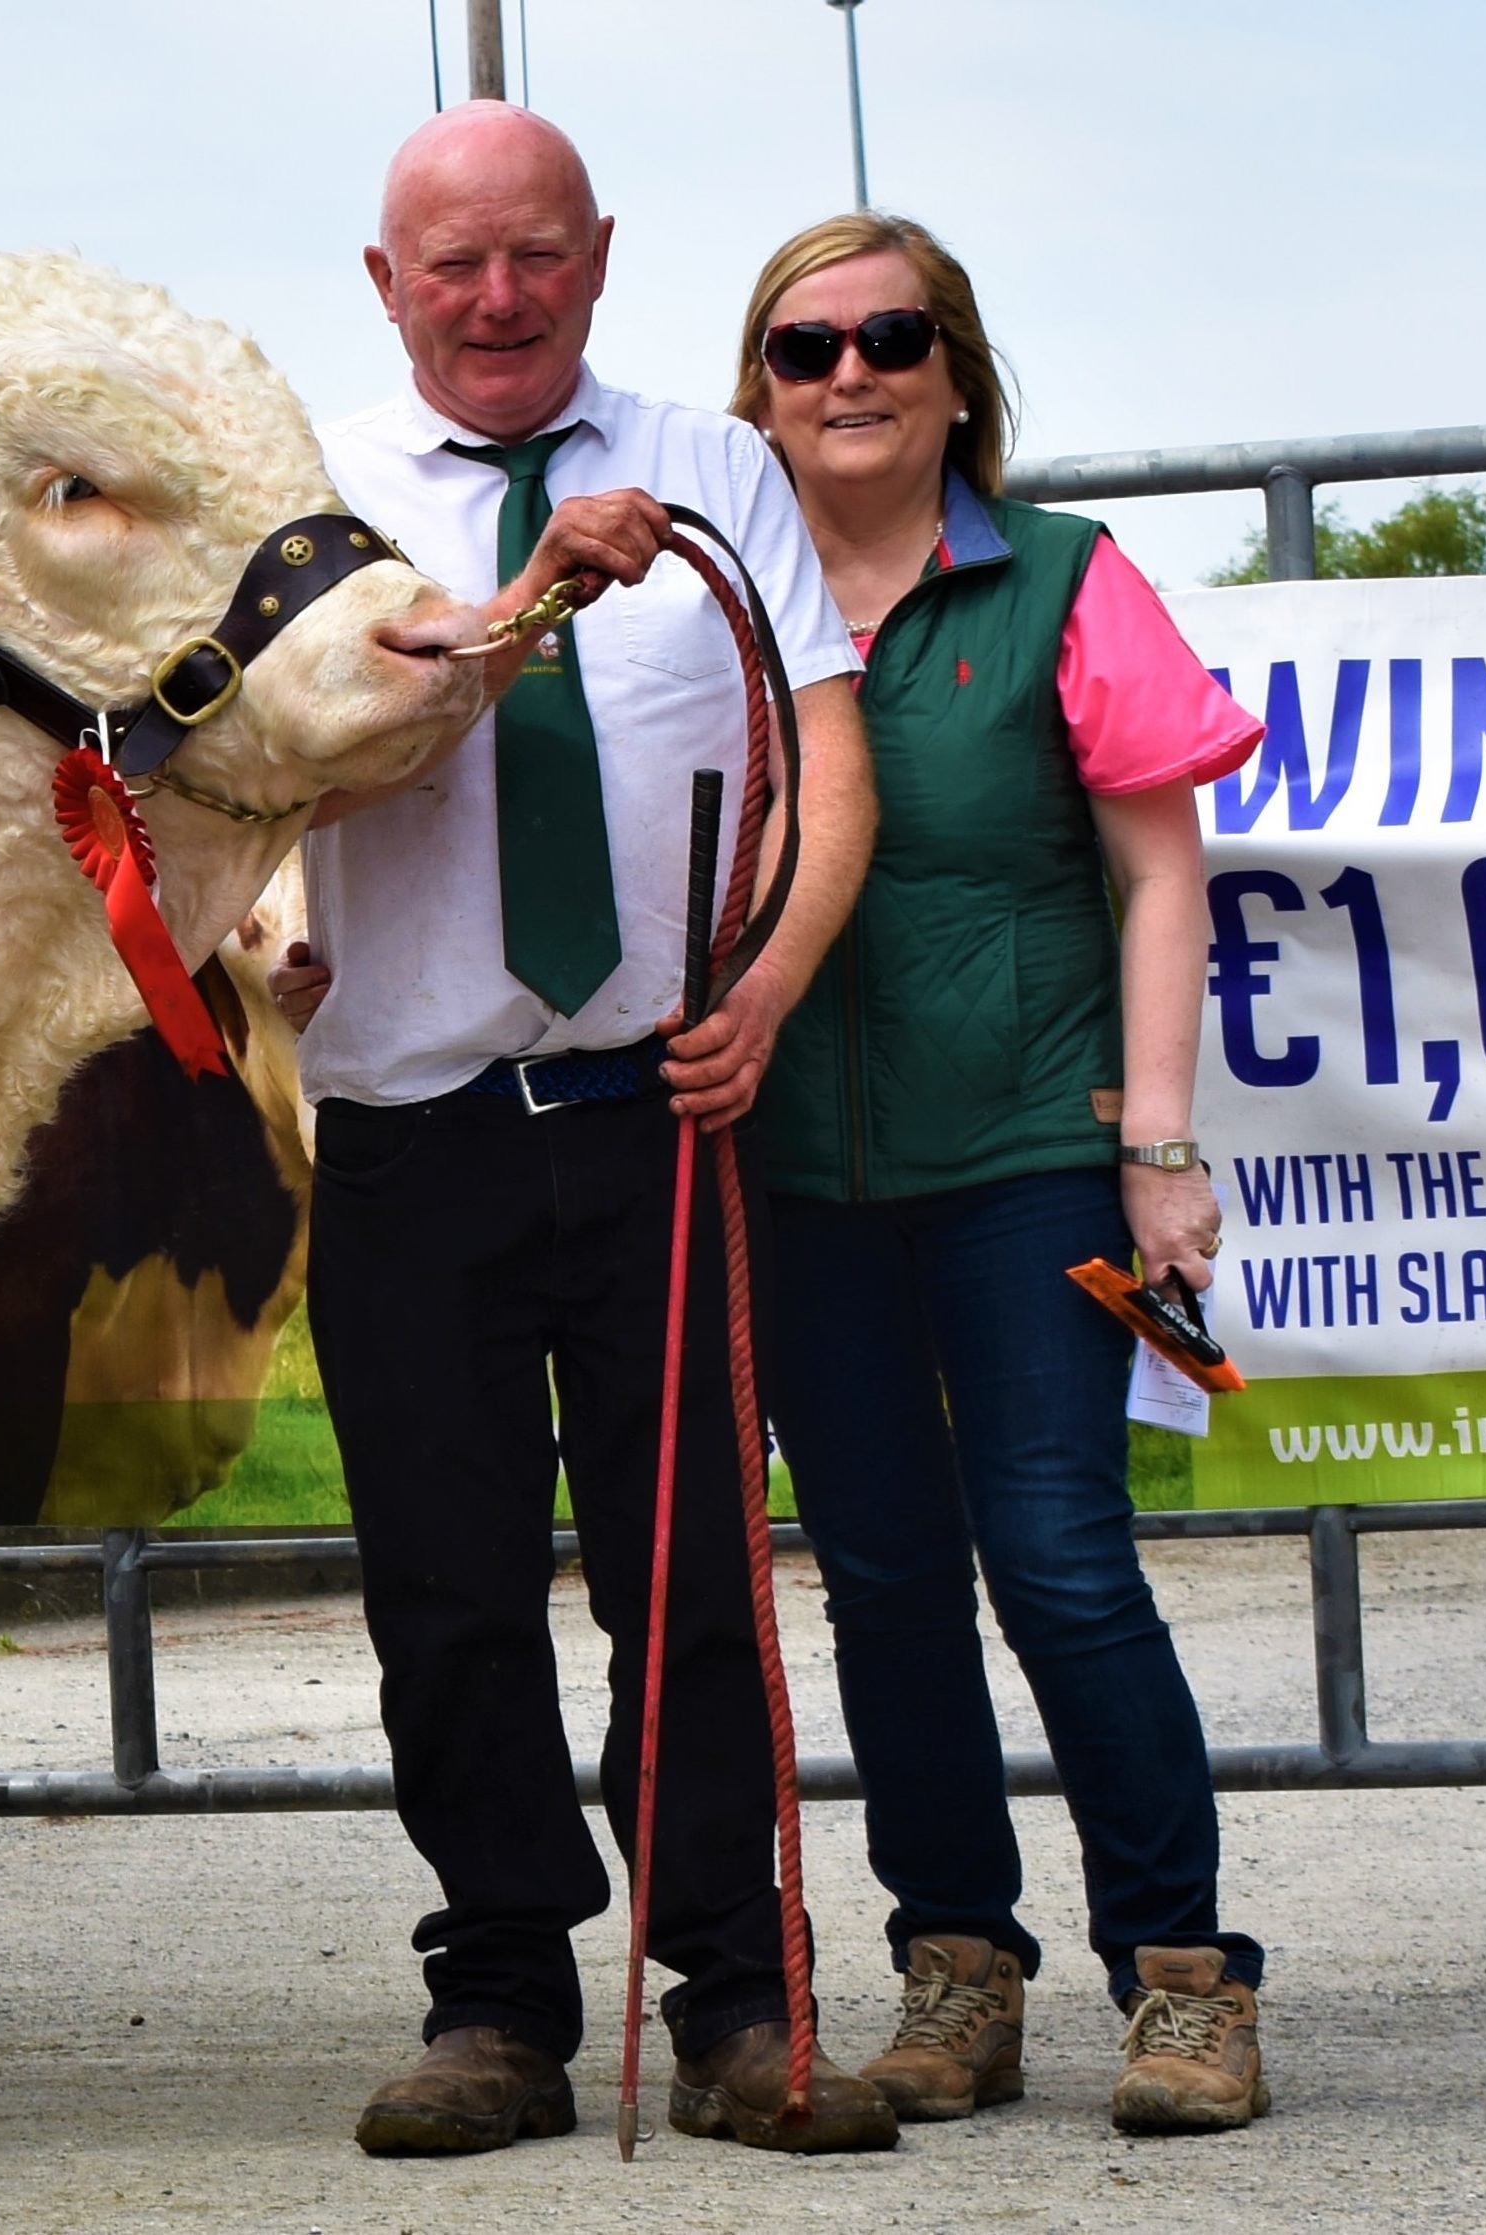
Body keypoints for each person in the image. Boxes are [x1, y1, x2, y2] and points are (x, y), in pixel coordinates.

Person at [270, 103, 890, 2156]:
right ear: (387, 282)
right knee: (442, 1587)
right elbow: (335, 759)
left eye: (534, 254)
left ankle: (736, 1997)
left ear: (600, 254)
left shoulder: (721, 470)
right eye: (452, 265)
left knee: (691, 1576)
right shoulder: (314, 494)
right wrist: (531, 591)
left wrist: (768, 989)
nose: (497, 299)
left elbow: (823, 760)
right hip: (408, 1122)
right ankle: (506, 2003)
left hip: (662, 1117)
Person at [728, 210, 1270, 2136]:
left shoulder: (1061, 578)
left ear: (957, 374)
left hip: (1038, 1154)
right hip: (793, 1176)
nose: (849, 374)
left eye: (891, 337)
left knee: (1056, 1559)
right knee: (879, 1579)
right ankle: (955, 1967)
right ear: (759, 396)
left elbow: (1155, 873)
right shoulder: (716, 611)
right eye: (805, 350)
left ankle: (1185, 1979)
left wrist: (1157, 1147)